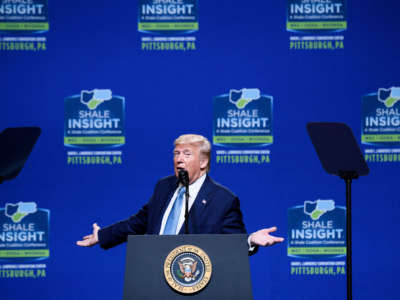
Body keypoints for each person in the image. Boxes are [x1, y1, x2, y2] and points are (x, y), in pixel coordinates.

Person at [77, 134, 283, 251]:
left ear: (203, 162)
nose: (179, 159)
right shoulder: (163, 187)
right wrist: (102, 236)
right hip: (153, 277)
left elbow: (231, 244)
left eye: (186, 154)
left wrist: (250, 240)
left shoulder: (223, 200)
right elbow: (139, 222)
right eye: (176, 154)